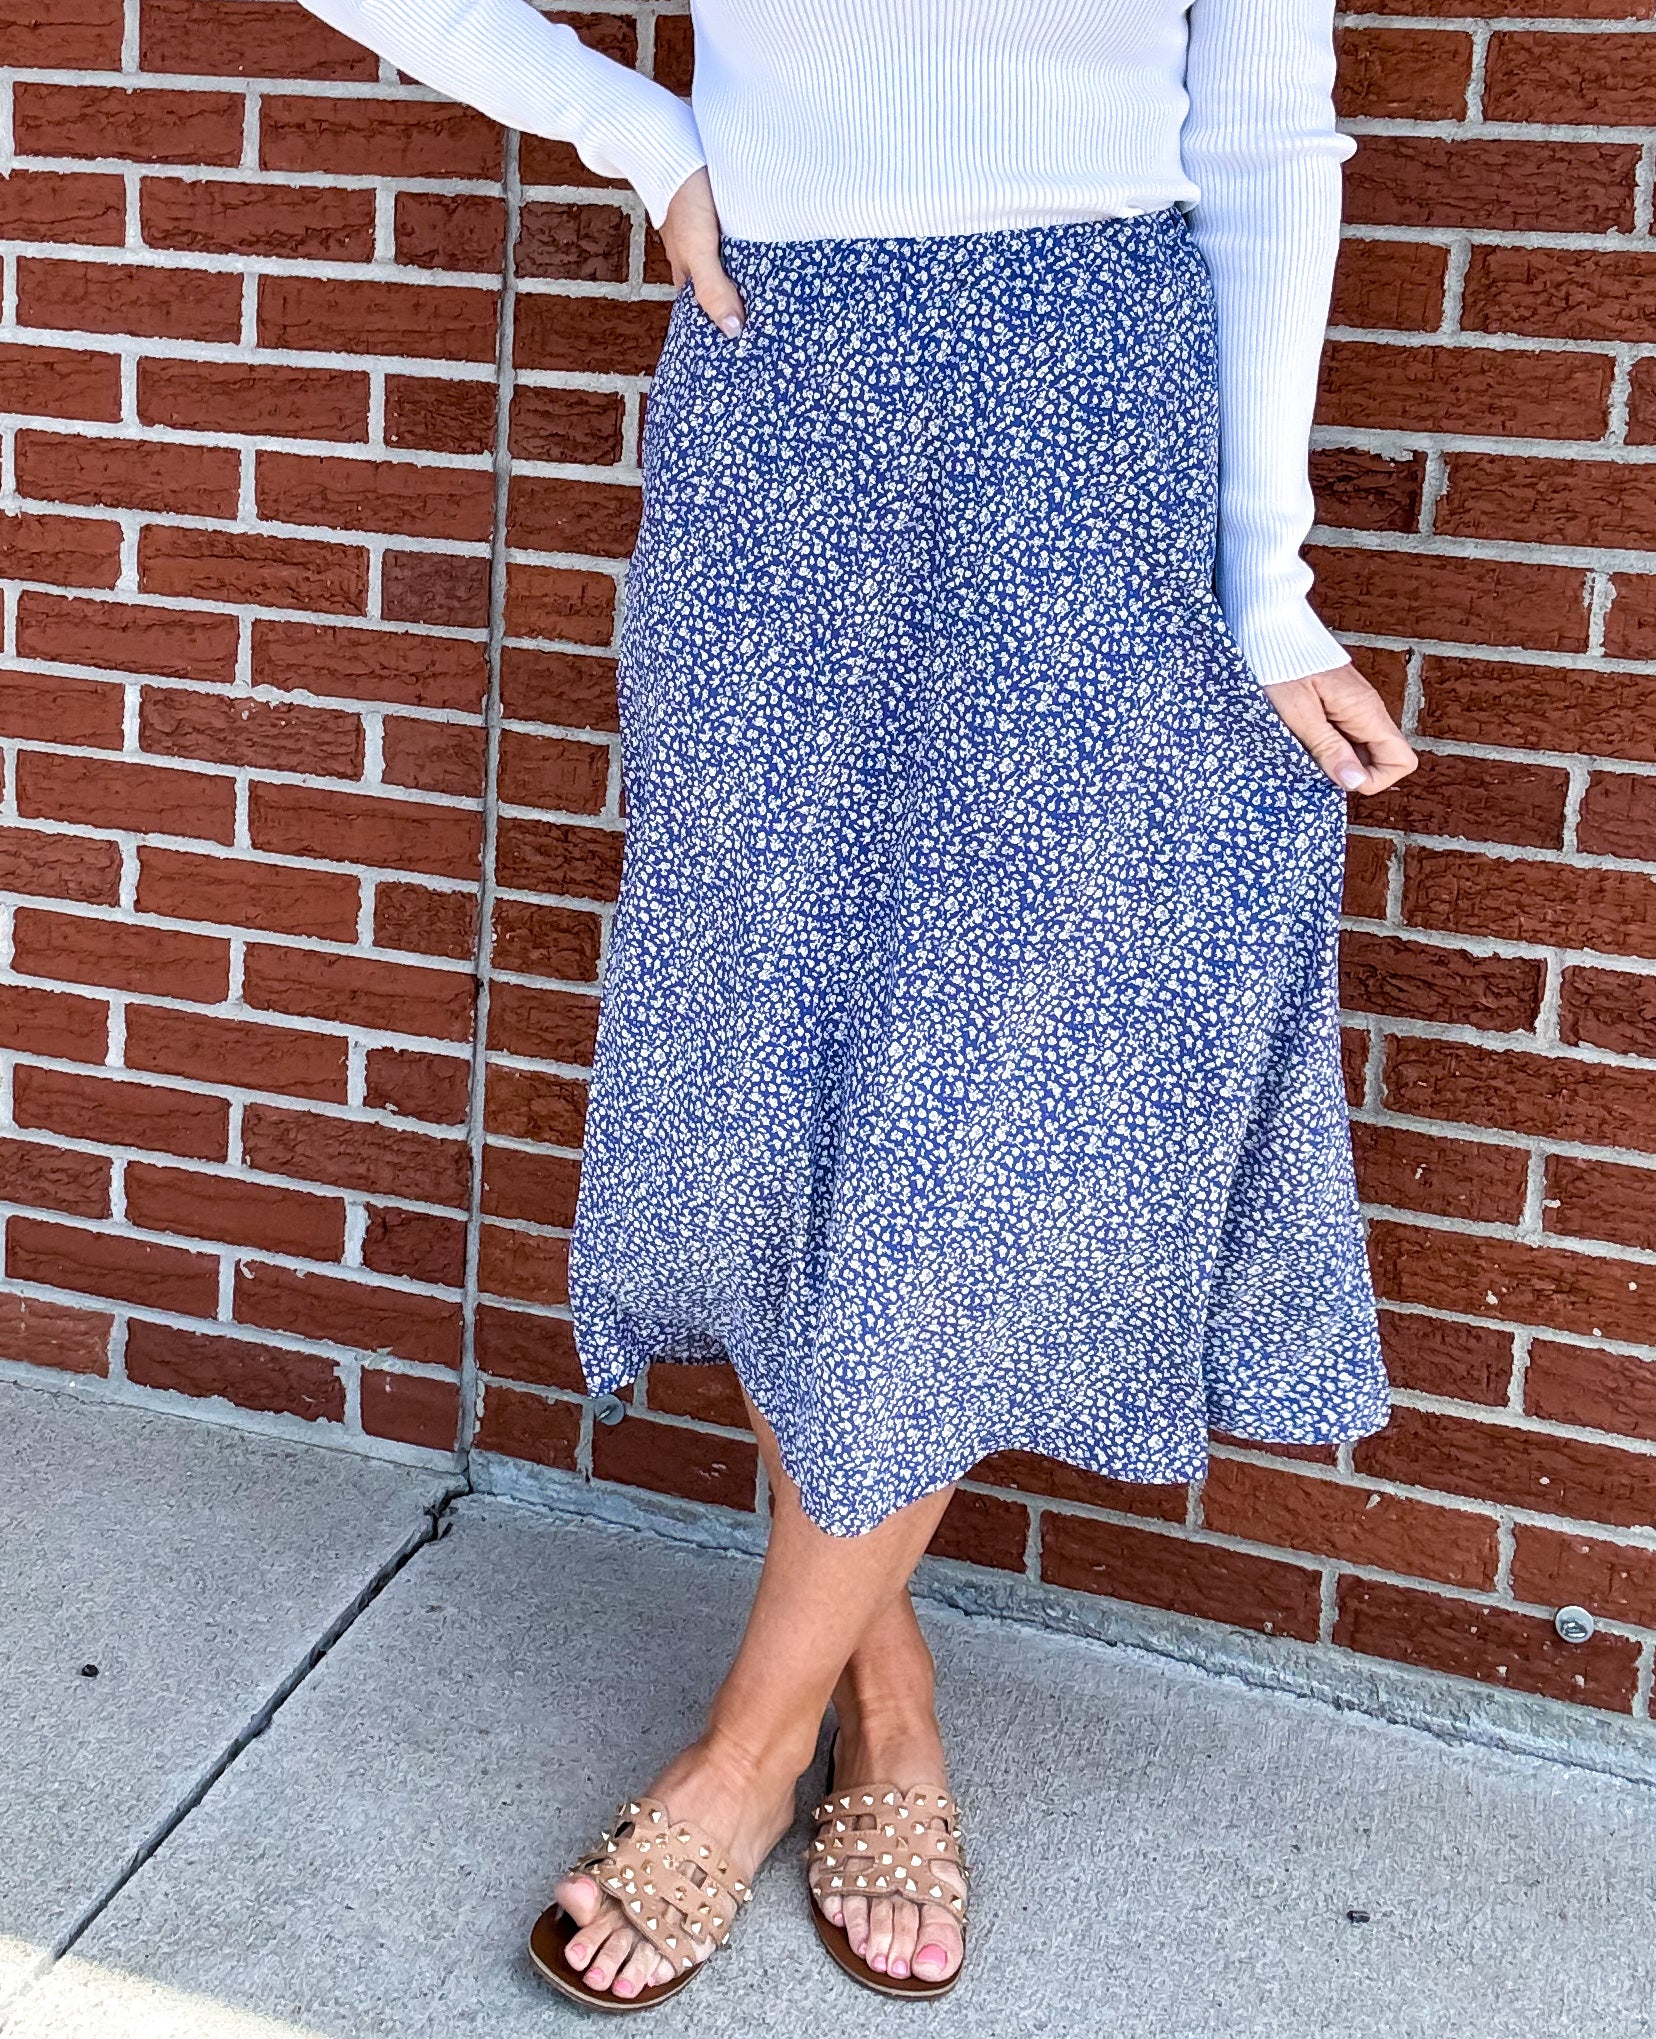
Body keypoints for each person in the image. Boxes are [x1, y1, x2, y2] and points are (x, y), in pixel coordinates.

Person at [299, 0, 1416, 2010]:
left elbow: (1265, 137)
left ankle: (744, 1760)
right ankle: (884, 1693)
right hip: (784, 378)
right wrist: (637, 133)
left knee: (974, 1097)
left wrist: (1265, 579)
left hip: (1100, 412)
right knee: (768, 1053)